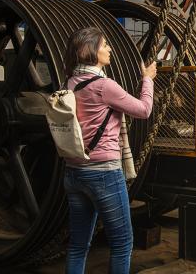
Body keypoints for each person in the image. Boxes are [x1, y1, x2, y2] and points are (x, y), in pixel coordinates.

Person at [62, 27, 157, 274]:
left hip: (73, 172)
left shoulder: (70, 82)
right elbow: (144, 110)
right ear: (90, 50)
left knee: (78, 245)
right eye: (105, 45)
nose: (110, 49)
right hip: (104, 173)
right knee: (122, 242)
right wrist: (147, 79)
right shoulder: (104, 86)